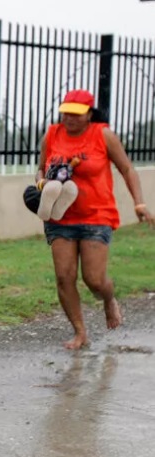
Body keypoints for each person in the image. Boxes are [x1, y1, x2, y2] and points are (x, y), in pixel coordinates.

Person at [36, 89, 154, 350]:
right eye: (66, 113)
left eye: (76, 114)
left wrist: (139, 203)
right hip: (60, 216)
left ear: (90, 114)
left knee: (95, 280)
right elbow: (41, 167)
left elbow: (127, 168)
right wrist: (42, 183)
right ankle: (80, 332)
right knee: (64, 277)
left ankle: (109, 300)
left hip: (96, 216)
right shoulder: (52, 134)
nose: (69, 118)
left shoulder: (103, 135)